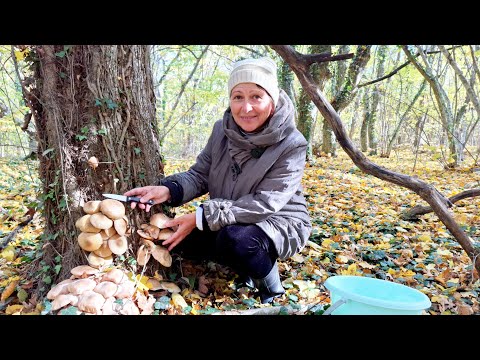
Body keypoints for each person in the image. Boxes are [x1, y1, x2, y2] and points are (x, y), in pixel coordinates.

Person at [124, 56, 312, 304]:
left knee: (237, 240)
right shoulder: (221, 131)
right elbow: (200, 174)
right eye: (238, 97)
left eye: (256, 96)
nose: (246, 108)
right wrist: (168, 190)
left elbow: (266, 203)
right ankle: (240, 267)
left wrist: (201, 218)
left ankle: (270, 286)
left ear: (273, 100)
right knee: (170, 237)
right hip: (228, 214)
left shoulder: (292, 143)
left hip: (277, 219)